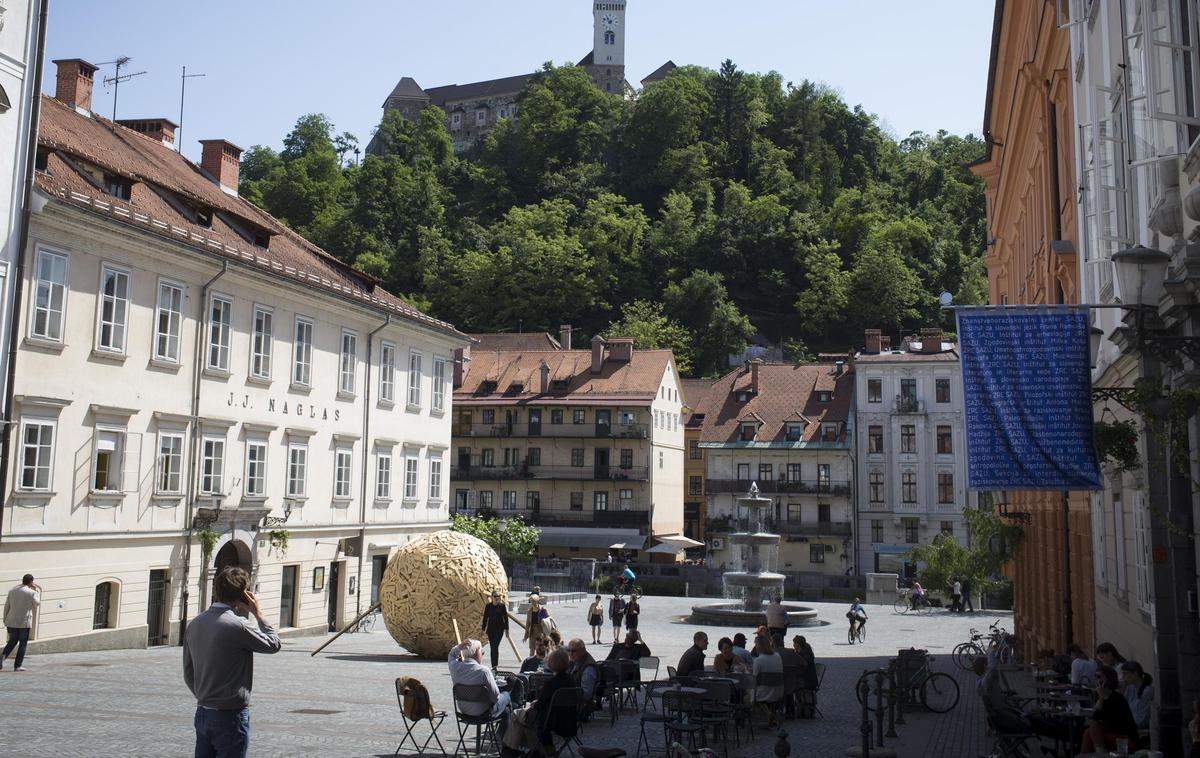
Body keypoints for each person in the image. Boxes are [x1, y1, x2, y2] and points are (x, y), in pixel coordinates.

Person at [182, 566, 282, 758]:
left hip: (202, 712)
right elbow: (273, 644)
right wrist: (258, 613)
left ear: (216, 590)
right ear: (243, 594)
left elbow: (188, 672)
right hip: (230, 715)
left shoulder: (195, 623)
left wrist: (205, 696)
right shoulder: (238, 626)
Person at [502, 648, 575, 756]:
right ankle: (534, 750)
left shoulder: (551, 683)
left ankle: (511, 751)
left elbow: (540, 705)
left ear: (551, 664)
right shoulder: (571, 680)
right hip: (569, 720)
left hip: (549, 720)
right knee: (521, 722)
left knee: (516, 715)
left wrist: (534, 703)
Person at [449, 639, 511, 738]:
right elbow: (496, 697)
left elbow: (451, 655)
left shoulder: (455, 667)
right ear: (477, 651)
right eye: (482, 651)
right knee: (507, 696)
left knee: (506, 711)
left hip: (464, 710)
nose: (482, 654)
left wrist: (460, 646)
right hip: (483, 712)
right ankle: (506, 739)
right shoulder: (484, 671)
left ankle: (504, 737)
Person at [1080, 664, 1139, 754]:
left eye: (1099, 676)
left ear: (1108, 679)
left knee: (1092, 728)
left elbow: (1100, 720)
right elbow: (1095, 717)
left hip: (1125, 740)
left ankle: (1100, 753)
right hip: (1111, 735)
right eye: (1095, 676)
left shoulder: (1117, 698)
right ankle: (1099, 752)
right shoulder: (1101, 697)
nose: (1097, 680)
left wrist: (1101, 697)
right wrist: (1100, 698)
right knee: (1088, 732)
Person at [2, 574, 41, 671]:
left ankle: (0, 660)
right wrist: (36, 591)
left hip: (11, 621)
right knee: (23, 644)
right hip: (24, 622)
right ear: (31, 581)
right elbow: (37, 603)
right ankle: (17, 666)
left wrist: (5, 619)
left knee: (11, 642)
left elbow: (7, 606)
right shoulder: (32, 592)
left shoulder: (12, 591)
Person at [752, 634, 784, 728]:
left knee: (747, 697)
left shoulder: (759, 660)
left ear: (758, 646)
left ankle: (768, 715)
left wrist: (744, 670)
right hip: (779, 691)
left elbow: (753, 679)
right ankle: (770, 715)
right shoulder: (777, 656)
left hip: (765, 693)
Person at [566, 638, 602, 718]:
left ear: (583, 650)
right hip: (570, 702)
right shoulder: (573, 661)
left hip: (580, 706)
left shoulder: (589, 667)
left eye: (574, 651)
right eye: (569, 650)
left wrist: (566, 693)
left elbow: (586, 694)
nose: (570, 654)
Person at [1120, 660, 1154, 735]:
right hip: (1128, 724)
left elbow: (1142, 720)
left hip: (1138, 728)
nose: (1123, 677)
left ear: (1135, 674)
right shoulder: (1130, 688)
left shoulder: (1147, 691)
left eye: (1125, 674)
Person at [773, 633, 802, 717]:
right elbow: (803, 663)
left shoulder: (772, 654)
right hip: (790, 684)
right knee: (788, 684)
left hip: (775, 684)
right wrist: (797, 673)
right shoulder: (791, 652)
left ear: (773, 643)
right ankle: (790, 711)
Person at [481, 590, 509, 670]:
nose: (497, 598)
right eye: (496, 596)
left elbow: (505, 619)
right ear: (492, 597)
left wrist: (507, 630)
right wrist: (483, 629)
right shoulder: (488, 606)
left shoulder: (502, 606)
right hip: (490, 630)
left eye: (499, 596)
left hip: (499, 629)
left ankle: (495, 666)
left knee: (495, 646)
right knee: (492, 647)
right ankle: (494, 666)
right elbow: (485, 618)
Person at [793, 636, 818, 718]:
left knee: (789, 685)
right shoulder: (806, 653)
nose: (793, 645)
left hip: (808, 682)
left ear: (797, 644)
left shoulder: (804, 656)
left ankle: (792, 709)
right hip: (811, 680)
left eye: (794, 643)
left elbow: (801, 671)